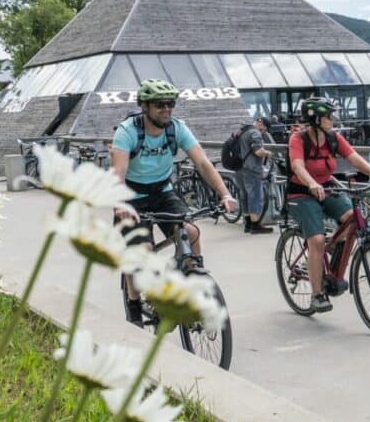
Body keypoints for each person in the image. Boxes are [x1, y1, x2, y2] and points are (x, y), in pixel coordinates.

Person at [110, 80, 237, 322]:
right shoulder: (127, 132)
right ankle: (135, 304)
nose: (167, 109)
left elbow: (203, 163)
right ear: (144, 107)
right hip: (131, 198)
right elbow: (117, 175)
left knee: (191, 232)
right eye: (160, 105)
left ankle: (190, 276)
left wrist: (225, 194)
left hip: (162, 192)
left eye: (171, 104)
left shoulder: (176, 129)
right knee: (142, 251)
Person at [286, 97, 370, 314]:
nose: (332, 120)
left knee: (352, 219)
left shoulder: (333, 137)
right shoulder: (298, 139)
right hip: (302, 192)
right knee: (316, 240)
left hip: (327, 187)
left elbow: (353, 158)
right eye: (328, 116)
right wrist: (312, 183)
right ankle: (317, 294)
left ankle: (333, 250)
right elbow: (297, 166)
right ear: (315, 119)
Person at [233, 115, 277, 233]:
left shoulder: (242, 130)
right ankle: (255, 225)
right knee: (255, 196)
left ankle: (247, 224)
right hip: (251, 169)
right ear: (260, 123)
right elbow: (258, 151)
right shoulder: (254, 133)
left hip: (238, 167)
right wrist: (268, 153)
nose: (263, 132)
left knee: (245, 196)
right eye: (264, 129)